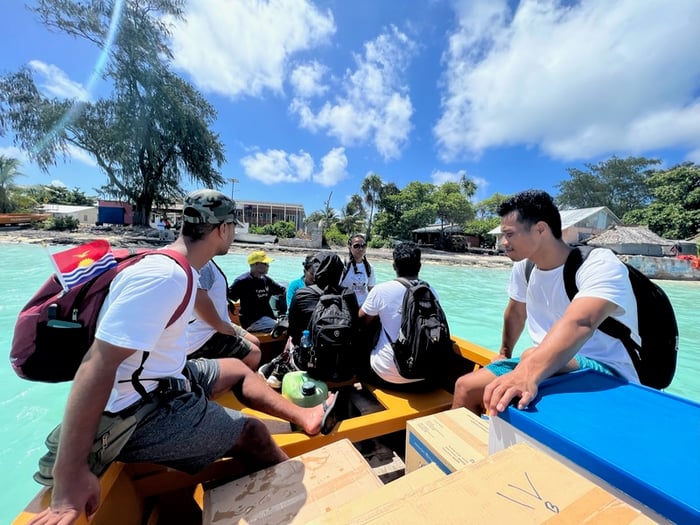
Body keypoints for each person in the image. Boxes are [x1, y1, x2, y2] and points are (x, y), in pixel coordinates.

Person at [32, 190, 337, 525]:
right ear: (223, 229)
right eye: (233, 227)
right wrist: (69, 473)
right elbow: (96, 364)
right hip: (138, 410)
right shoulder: (165, 277)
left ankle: (306, 419)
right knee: (254, 434)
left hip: (164, 377)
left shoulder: (178, 267)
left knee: (237, 367)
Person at [451, 189, 640, 416]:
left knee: (523, 365)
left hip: (606, 369)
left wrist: (528, 373)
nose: (503, 242)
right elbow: (516, 313)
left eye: (509, 234)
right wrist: (504, 351)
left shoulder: (598, 264)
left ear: (540, 229)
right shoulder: (525, 266)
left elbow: (581, 321)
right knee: (465, 387)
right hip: (545, 361)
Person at [358, 242, 439, 388]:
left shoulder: (381, 290)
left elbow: (361, 321)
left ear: (394, 266)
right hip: (425, 377)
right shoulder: (430, 291)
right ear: (419, 266)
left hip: (387, 377)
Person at [187, 259, 262, 370]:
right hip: (208, 328)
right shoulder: (203, 265)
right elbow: (198, 298)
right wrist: (219, 325)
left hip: (222, 321)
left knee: (255, 341)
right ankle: (238, 381)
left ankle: (238, 378)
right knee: (254, 354)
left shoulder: (208, 261)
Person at [228, 250, 286, 332]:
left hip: (267, 318)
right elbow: (227, 297)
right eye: (265, 264)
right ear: (255, 264)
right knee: (284, 328)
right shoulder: (243, 281)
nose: (268, 266)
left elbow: (282, 291)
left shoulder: (266, 280)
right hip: (252, 321)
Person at [340, 233, 375, 306]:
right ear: (349, 247)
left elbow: (371, 290)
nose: (361, 249)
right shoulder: (343, 264)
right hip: (346, 307)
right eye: (356, 246)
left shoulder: (369, 267)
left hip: (363, 308)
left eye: (363, 246)